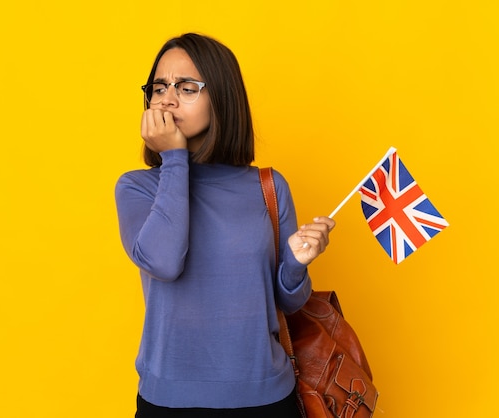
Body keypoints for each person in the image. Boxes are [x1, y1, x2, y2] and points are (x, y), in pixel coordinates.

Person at [115, 33, 336, 417]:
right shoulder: (137, 187)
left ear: (221, 96)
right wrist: (174, 159)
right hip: (167, 401)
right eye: (158, 87)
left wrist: (297, 264)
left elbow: (288, 302)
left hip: (265, 399)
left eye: (186, 87)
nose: (167, 98)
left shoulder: (268, 187)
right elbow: (165, 262)